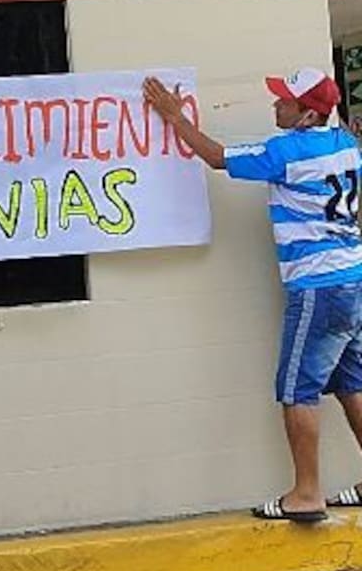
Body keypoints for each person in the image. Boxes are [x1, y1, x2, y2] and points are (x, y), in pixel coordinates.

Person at [144, 68, 362, 523]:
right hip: (352, 280)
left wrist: (173, 116)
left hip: (318, 286)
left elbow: (217, 158)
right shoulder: (344, 144)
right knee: (351, 383)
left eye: (285, 100)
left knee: (298, 389)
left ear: (307, 115)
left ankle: (306, 494)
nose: (275, 104)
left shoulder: (286, 152)